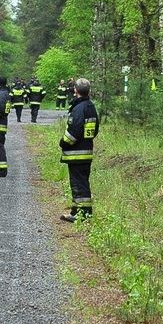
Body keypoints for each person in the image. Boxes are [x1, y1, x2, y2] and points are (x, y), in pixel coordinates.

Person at [59, 78, 100, 222]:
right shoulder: (90, 107)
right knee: (80, 183)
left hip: (76, 154)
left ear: (75, 90)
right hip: (86, 151)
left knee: (79, 185)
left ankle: (83, 215)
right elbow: (94, 130)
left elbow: (74, 131)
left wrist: (63, 143)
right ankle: (77, 212)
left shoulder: (79, 109)